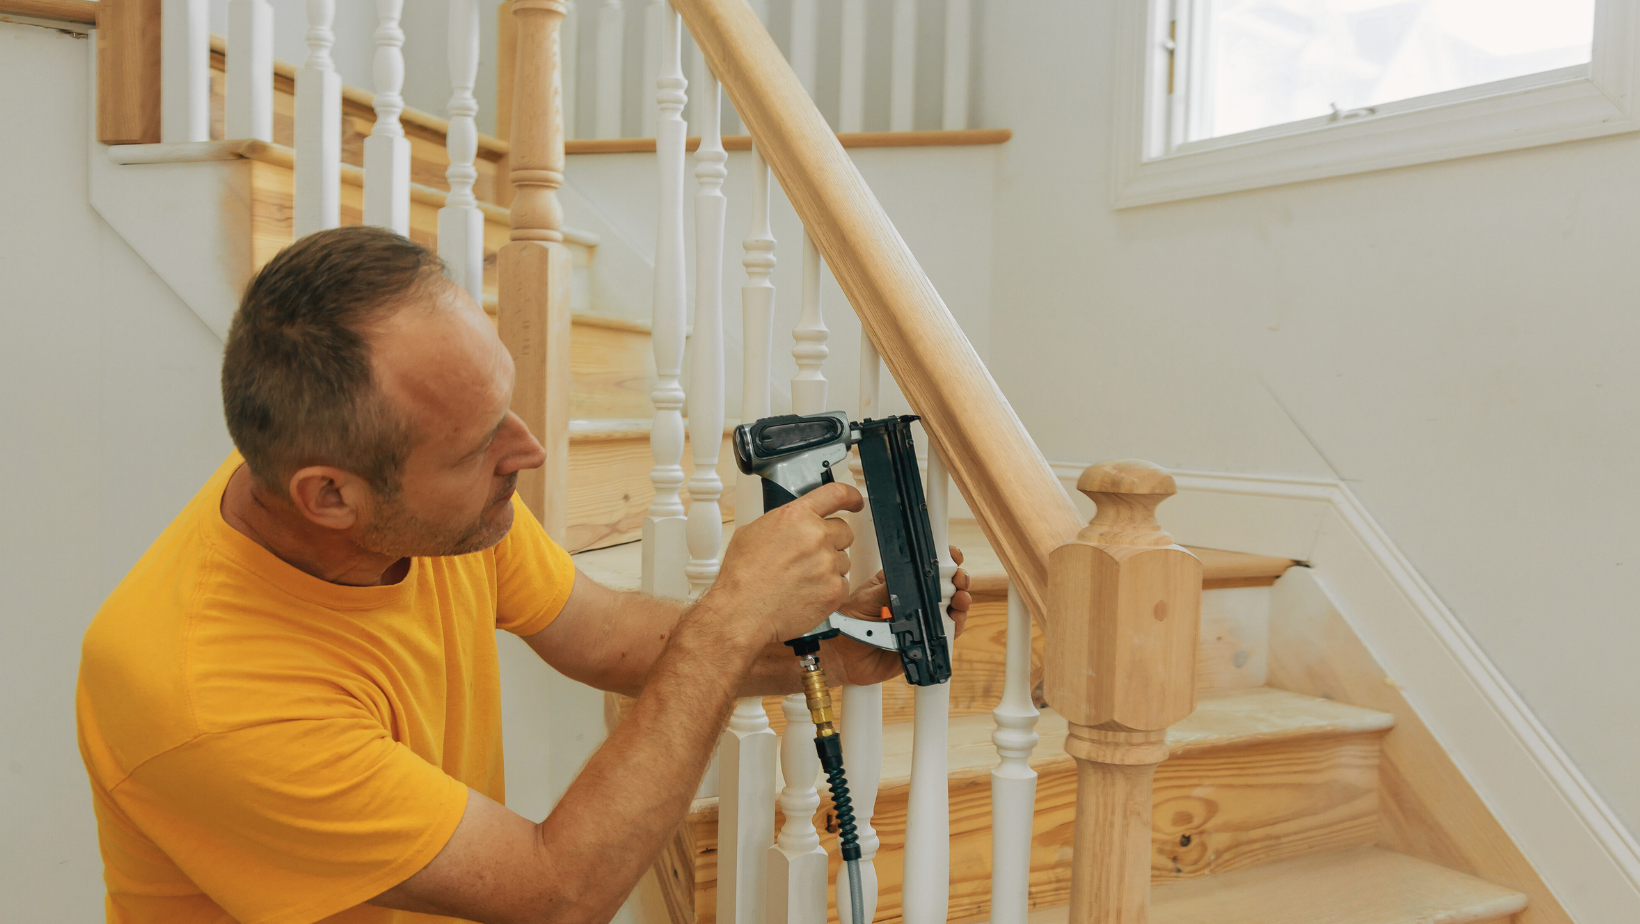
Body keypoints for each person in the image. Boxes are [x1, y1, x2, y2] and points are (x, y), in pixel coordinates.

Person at [76, 226, 971, 924]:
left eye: (505, 404)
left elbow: (605, 632)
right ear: (331, 497)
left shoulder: (432, 515)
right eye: (478, 445)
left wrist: (829, 652)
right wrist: (730, 618)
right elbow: (558, 894)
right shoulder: (207, 697)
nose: (528, 451)